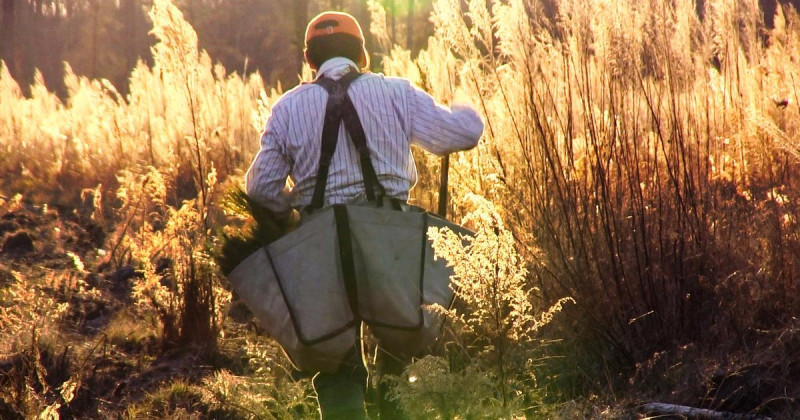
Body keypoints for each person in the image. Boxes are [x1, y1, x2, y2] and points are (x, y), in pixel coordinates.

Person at [244, 10, 483, 420]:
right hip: (390, 234)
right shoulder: (397, 93)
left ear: (309, 59)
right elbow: (464, 134)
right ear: (362, 54)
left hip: (320, 239)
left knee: (334, 359)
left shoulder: (287, 108)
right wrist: (462, 102)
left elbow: (260, 190)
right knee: (398, 349)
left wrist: (292, 215)